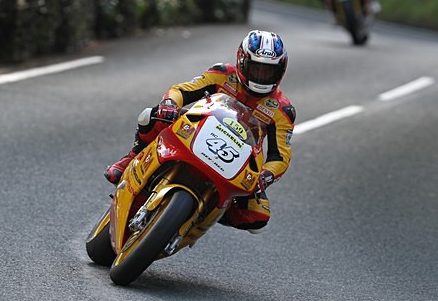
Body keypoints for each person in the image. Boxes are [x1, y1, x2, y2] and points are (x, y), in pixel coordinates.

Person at [104, 30, 296, 233]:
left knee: (258, 216)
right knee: (151, 116)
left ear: (280, 71)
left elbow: (280, 156)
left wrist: (265, 176)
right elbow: (182, 90)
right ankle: (131, 158)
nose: (261, 76)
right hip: (199, 129)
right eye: (256, 68)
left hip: (238, 156)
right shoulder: (223, 73)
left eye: (268, 71)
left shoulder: (282, 110)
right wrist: (169, 103)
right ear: (242, 62)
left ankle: (216, 208)